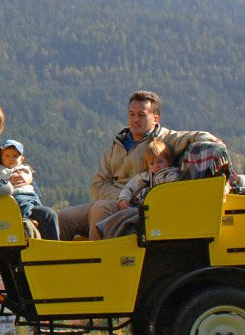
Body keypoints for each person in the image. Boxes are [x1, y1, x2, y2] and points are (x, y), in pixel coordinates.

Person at [56, 90, 218, 240]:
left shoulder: (164, 139)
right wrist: (122, 197)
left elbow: (196, 136)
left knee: (100, 209)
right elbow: (98, 185)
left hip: (140, 207)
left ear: (155, 118)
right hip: (117, 200)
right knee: (63, 217)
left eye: (141, 115)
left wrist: (214, 144)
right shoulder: (116, 145)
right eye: (132, 114)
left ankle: (99, 262)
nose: (135, 120)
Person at [92, 139, 179, 239]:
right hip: (141, 208)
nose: (156, 166)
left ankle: (107, 231)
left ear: (169, 161)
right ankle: (103, 229)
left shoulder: (171, 176)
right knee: (124, 214)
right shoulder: (144, 176)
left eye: (160, 161)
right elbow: (130, 187)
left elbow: (170, 194)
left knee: (129, 217)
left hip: (156, 210)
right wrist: (124, 198)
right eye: (152, 163)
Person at [0, 139, 59, 240]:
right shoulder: (1, 170)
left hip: (32, 196)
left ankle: (54, 245)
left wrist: (29, 176)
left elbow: (30, 173)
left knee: (49, 213)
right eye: (7, 156)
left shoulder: (24, 168)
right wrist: (7, 181)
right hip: (16, 197)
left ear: (22, 159)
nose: (11, 159)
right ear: (1, 158)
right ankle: (25, 220)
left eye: (15, 156)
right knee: (23, 206)